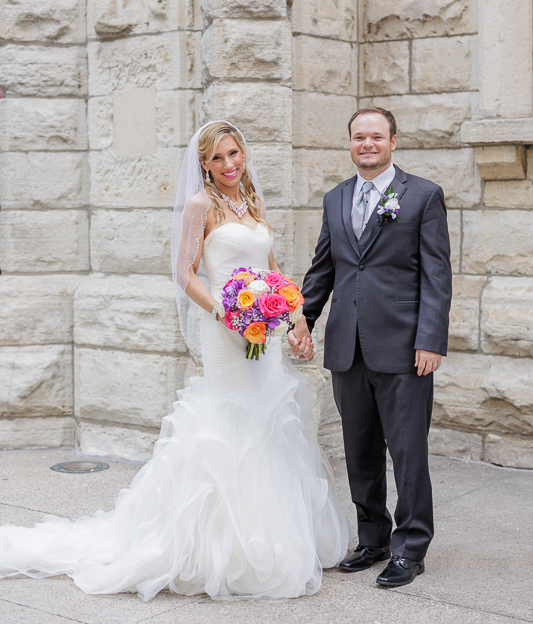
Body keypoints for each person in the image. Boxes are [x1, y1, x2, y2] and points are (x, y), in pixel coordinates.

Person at [0, 120, 348, 601]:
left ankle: (269, 537)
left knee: (269, 422)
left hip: (260, 332)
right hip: (225, 329)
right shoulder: (199, 205)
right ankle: (208, 547)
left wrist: (296, 318)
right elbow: (184, 274)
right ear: (203, 164)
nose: (230, 165)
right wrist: (226, 312)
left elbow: (271, 270)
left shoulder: (253, 203)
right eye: (219, 158)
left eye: (235, 154)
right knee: (228, 422)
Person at [289, 107, 452, 588]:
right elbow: (324, 270)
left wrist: (430, 340)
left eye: (376, 137)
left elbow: (437, 276)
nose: (367, 144)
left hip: (405, 348)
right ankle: (373, 538)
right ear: (351, 144)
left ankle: (411, 546)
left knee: (408, 452)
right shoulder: (336, 198)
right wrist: (304, 321)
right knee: (359, 450)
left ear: (393, 142)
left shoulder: (422, 195)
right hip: (348, 346)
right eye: (359, 137)